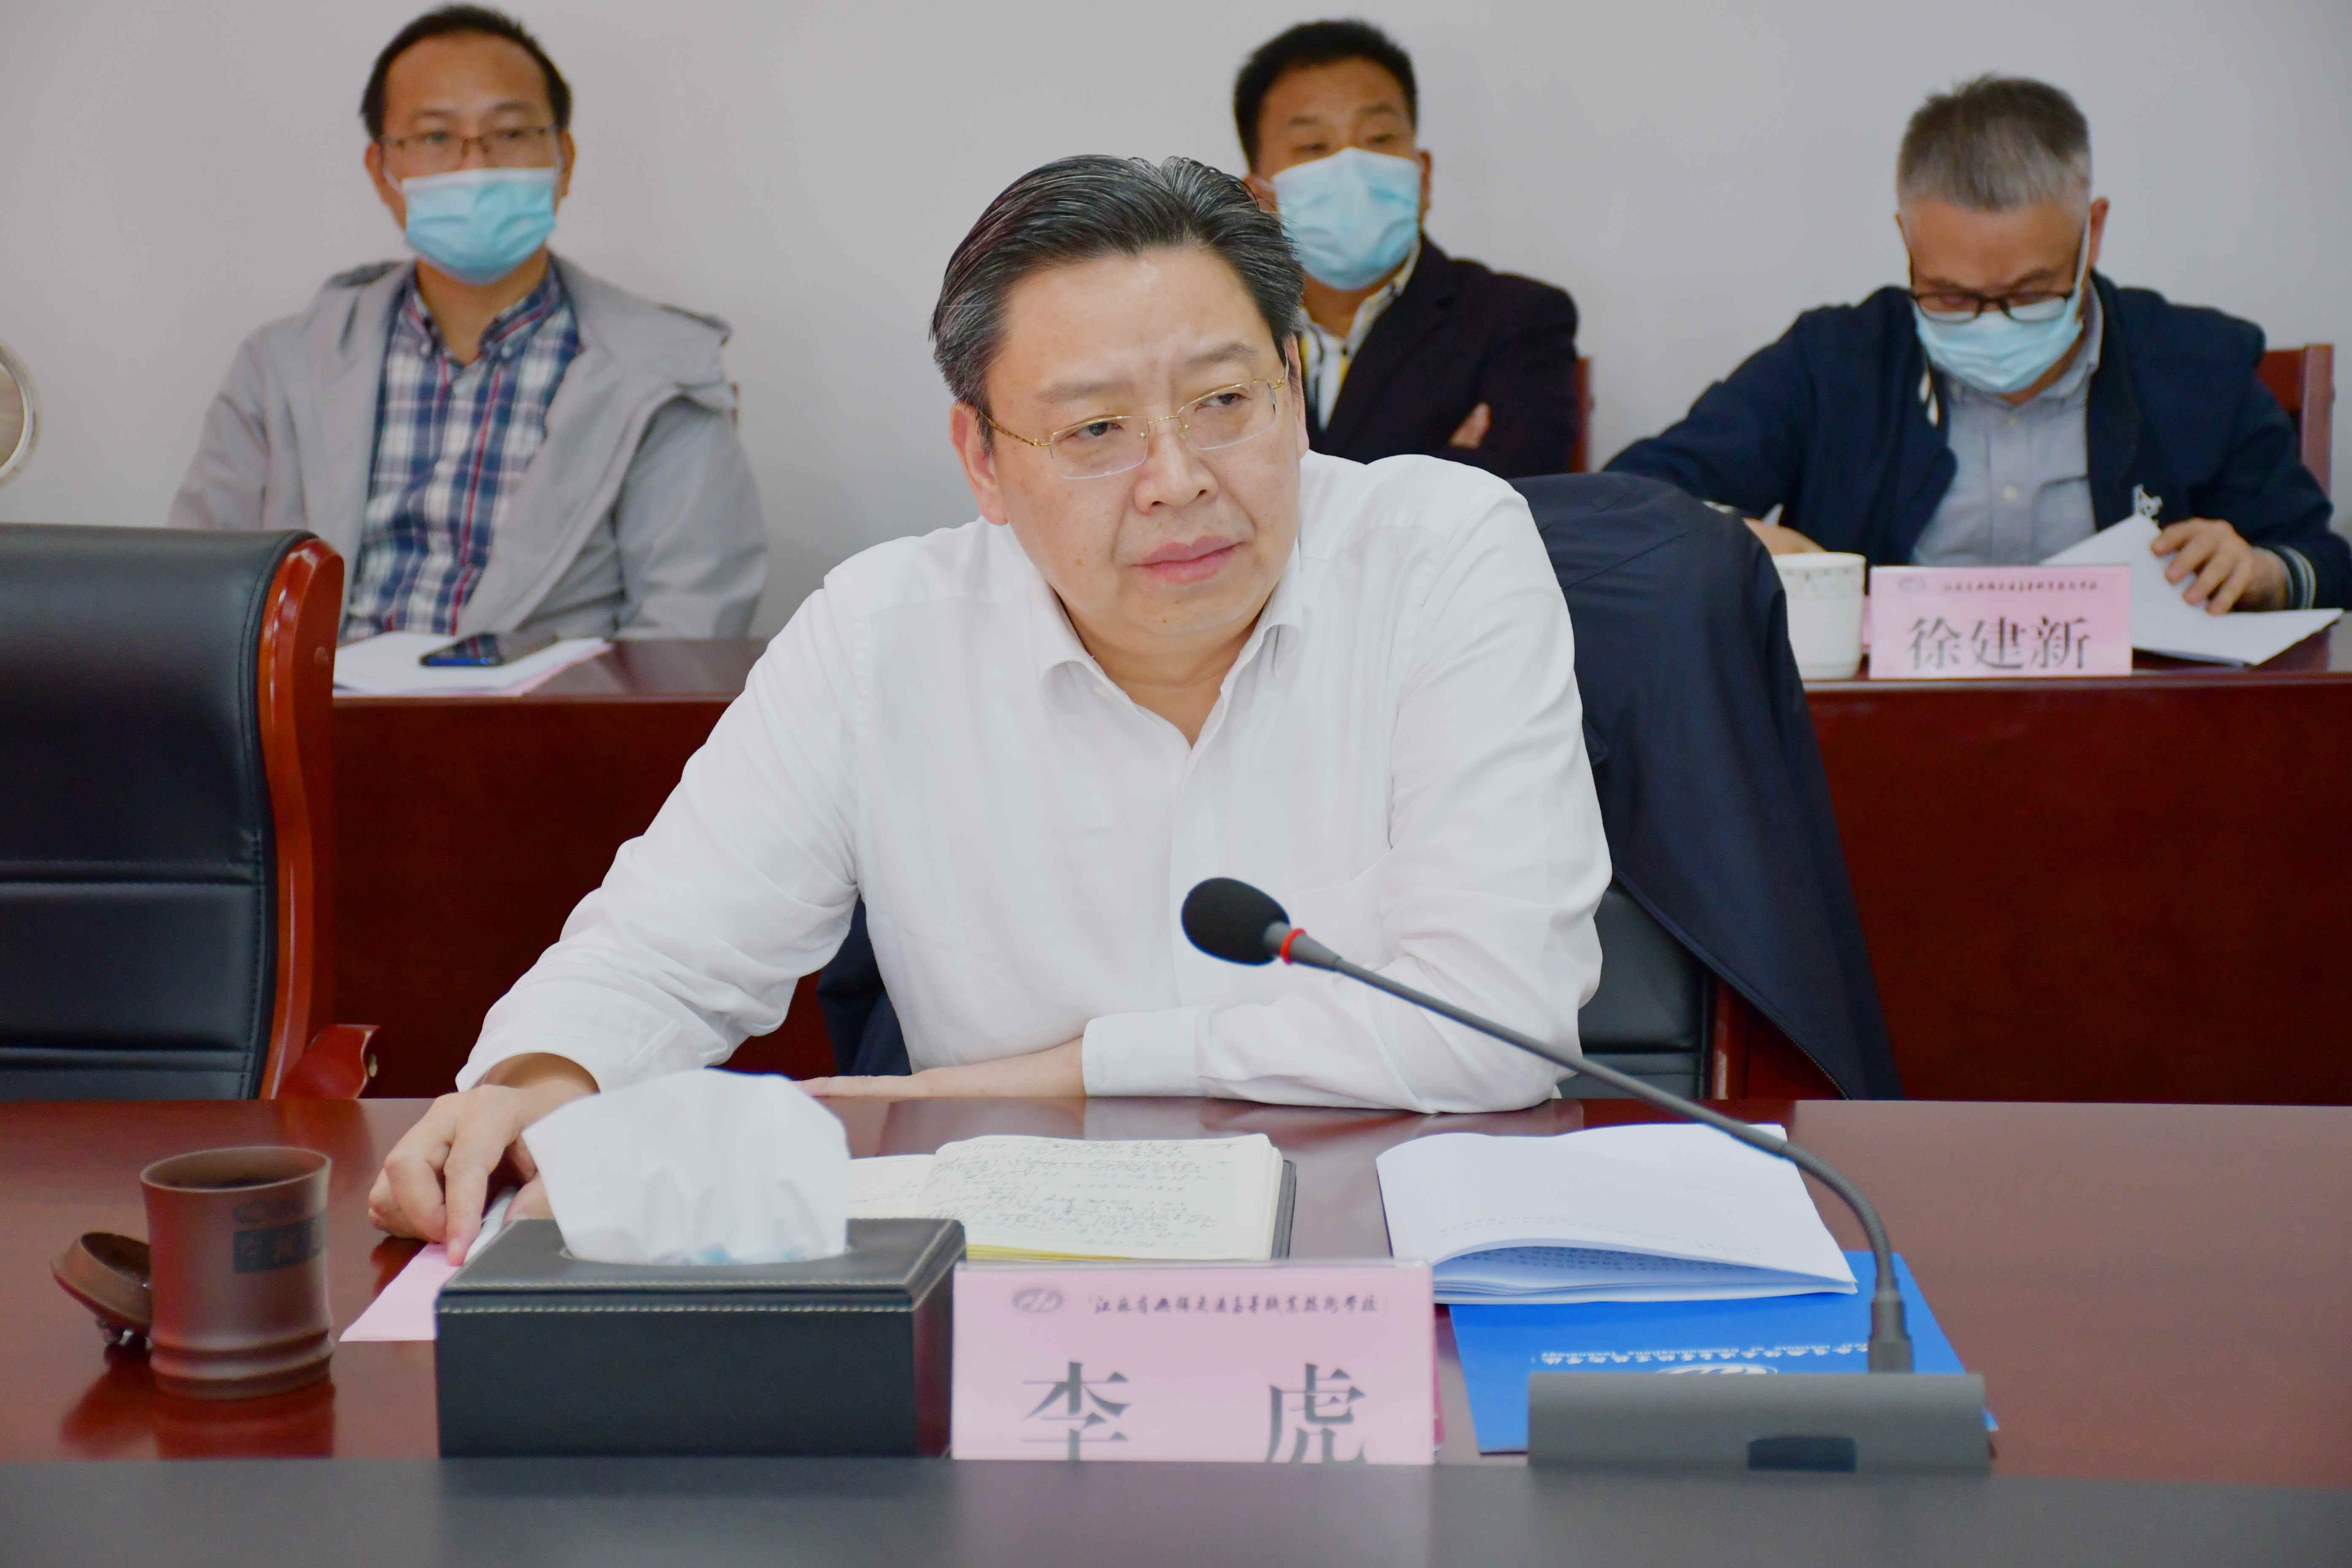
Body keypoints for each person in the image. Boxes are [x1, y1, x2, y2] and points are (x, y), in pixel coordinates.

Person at [368, 155, 1611, 1259]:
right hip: (1016, 1287)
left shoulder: (1441, 553)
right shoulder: (881, 634)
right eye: (1096, 429)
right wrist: (544, 1078)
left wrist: (1062, 1072)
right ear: (982, 460)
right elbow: (663, 948)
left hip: (1387, 1261)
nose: (1177, 480)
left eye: (1224, 403)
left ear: (1292, 386)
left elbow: (1496, 1023)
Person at [1609, 76, 2346, 613]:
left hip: (2140, 736)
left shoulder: (2196, 362)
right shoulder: (1833, 361)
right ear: (1907, 241)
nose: (1993, 324)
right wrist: (1732, 538)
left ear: (2092, 233)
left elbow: (2325, 561)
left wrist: (2263, 574)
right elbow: (1627, 498)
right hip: (1882, 739)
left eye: (2031, 293)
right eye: (1950, 296)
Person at [170, 5, 765, 640]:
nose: (475, 166)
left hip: (549, 705)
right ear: (382, 171)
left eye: (510, 132)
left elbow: (687, 632)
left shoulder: (666, 376)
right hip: (313, 703)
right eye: (434, 137)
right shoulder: (280, 368)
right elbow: (197, 597)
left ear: (563, 159)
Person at [1234, 20, 1581, 479]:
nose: (1353, 168)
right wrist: (1439, 476)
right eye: (1313, 146)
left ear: (1423, 175)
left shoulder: (1518, 320)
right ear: (1258, 198)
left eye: (1380, 139)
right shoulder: (1225, 336)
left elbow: (1520, 496)